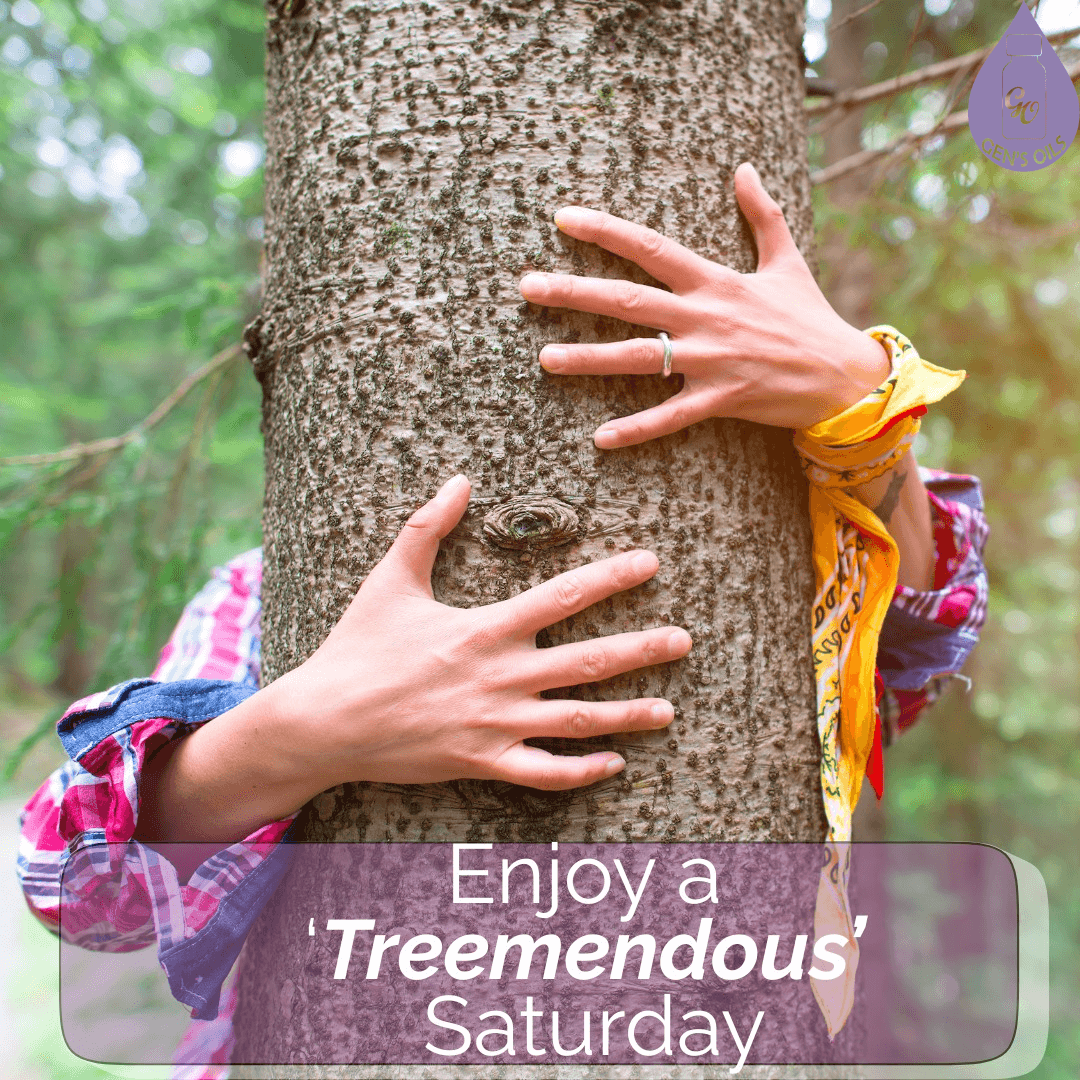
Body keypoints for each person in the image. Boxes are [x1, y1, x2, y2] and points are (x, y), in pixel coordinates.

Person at [17, 164, 987, 1078]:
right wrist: (305, 734)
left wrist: (867, 408)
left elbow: (913, 648)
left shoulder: (785, 552)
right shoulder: (272, 596)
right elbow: (76, 887)